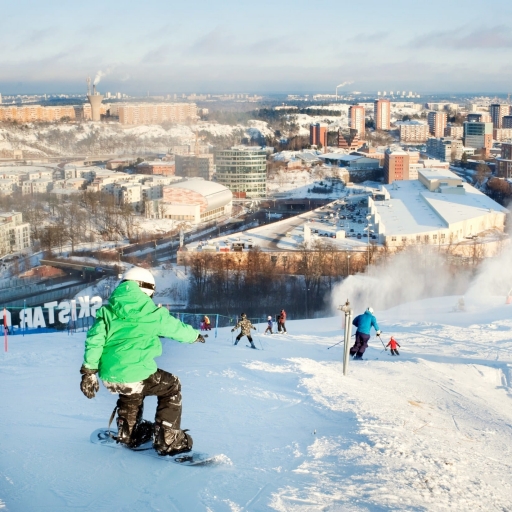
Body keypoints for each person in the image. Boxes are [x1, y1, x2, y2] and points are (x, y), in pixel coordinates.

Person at [79, 266, 206, 456]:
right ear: (146, 290)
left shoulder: (107, 312)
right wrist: (194, 335)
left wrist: (89, 372)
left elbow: (94, 341)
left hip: (111, 377)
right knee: (171, 386)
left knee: (130, 391)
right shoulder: (150, 312)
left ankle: (129, 433)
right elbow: (175, 328)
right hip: (137, 374)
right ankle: (167, 439)